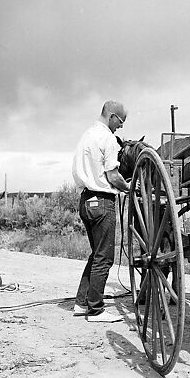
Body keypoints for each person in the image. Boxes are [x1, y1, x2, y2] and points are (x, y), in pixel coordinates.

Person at [72, 100, 131, 322]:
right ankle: (96, 310)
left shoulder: (86, 135)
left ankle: (81, 303)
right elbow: (113, 175)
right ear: (113, 116)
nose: (121, 126)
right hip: (102, 202)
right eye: (121, 121)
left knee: (96, 254)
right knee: (105, 258)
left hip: (86, 200)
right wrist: (129, 188)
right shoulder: (107, 138)